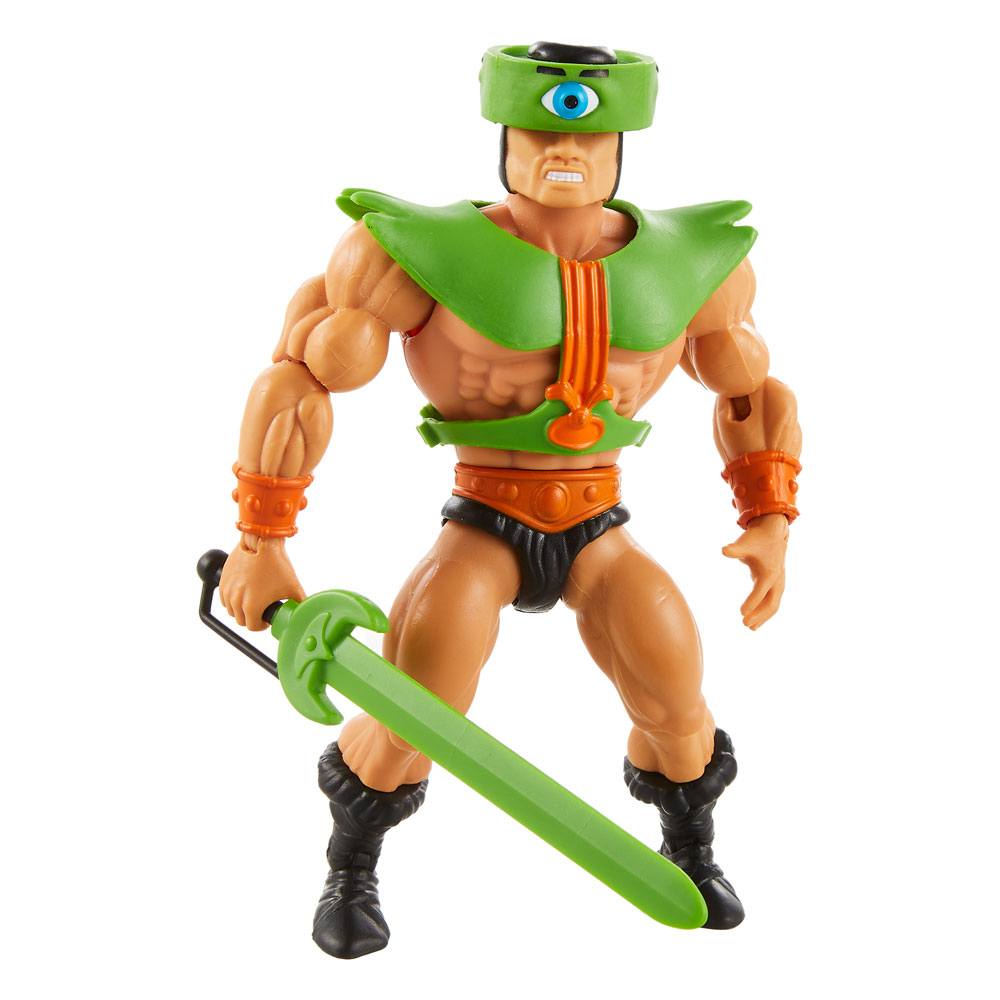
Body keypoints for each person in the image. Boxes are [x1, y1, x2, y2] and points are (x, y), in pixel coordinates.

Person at [220, 40, 802, 959]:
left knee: (677, 701)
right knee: (416, 709)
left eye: (586, 135)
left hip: (598, 520)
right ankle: (351, 867)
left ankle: (690, 850)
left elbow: (751, 393)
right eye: (538, 133)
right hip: (485, 517)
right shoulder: (413, 254)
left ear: (620, 143)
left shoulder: (697, 264)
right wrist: (263, 539)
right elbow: (301, 380)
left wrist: (768, 520)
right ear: (504, 136)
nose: (562, 151)